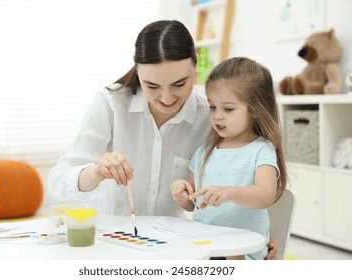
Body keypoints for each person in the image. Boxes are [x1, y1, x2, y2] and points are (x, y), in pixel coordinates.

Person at [48, 20, 277, 259]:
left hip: (171, 248)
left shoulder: (209, 115)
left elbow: (245, 174)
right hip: (109, 243)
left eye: (180, 84)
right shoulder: (111, 103)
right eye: (152, 85)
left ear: (195, 70)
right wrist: (95, 172)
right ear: (138, 72)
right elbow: (57, 182)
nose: (166, 98)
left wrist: (253, 239)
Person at [171, 57, 287, 260]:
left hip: (243, 252)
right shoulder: (204, 151)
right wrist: (182, 195)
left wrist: (228, 192)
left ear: (255, 110)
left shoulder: (261, 150)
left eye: (228, 108)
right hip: (208, 248)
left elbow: (265, 194)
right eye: (212, 106)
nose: (217, 116)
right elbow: (193, 203)